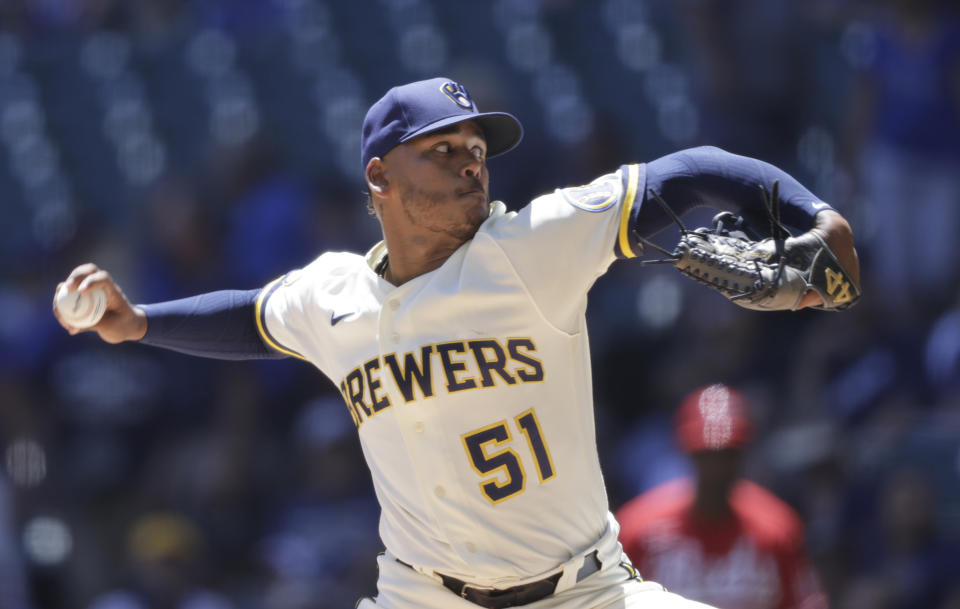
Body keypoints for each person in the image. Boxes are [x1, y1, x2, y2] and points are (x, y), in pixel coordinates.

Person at [54, 77, 859, 609]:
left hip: (584, 593)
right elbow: (252, 318)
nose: (471, 167)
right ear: (379, 178)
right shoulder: (333, 293)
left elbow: (692, 171)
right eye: (442, 152)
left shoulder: (533, 245)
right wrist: (138, 322)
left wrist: (813, 214)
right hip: (420, 596)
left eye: (476, 152)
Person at [616, 384, 828, 609]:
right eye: (707, 455)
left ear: (742, 454)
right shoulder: (640, 531)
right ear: (687, 452)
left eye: (727, 454)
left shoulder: (776, 530)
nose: (717, 468)